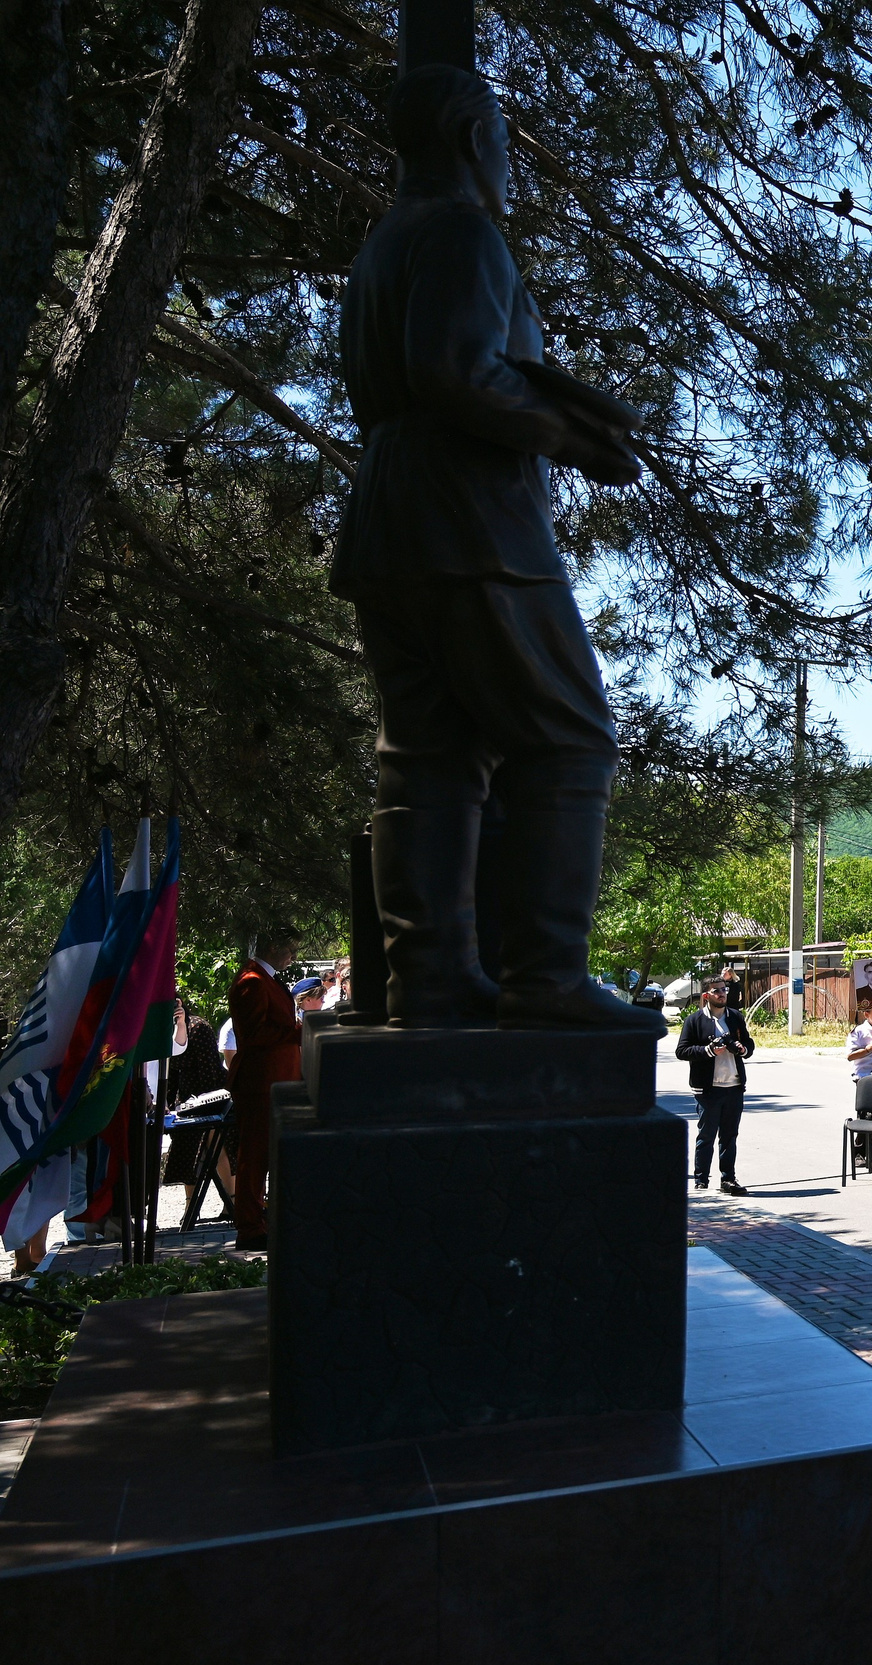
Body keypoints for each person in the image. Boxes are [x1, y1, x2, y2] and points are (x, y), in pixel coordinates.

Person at [335, 64, 662, 1035]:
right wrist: (565, 434)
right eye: (504, 141)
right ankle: (545, 974)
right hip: (469, 517)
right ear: (475, 139)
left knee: (428, 755)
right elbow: (454, 371)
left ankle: (430, 980)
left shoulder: (381, 245)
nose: (509, 162)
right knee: (569, 733)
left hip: (388, 516)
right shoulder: (462, 232)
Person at [224, 931, 304, 1251]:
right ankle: (249, 1227)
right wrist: (301, 1030)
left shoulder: (262, 978)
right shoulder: (252, 980)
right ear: (272, 946)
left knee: (267, 1156)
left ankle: (262, 1221)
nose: (293, 957)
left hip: (275, 1081)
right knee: (254, 1159)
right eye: (290, 949)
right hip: (260, 1083)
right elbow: (255, 1034)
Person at [676, 977, 754, 1195]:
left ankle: (728, 1179)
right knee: (706, 1136)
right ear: (706, 996)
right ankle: (701, 1180)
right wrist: (708, 1051)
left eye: (724, 989)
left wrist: (741, 1049)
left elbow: (749, 1043)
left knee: (729, 1136)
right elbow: (681, 1051)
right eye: (717, 991)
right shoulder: (694, 1021)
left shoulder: (735, 1017)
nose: (722, 994)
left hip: (734, 1086)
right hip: (707, 1089)